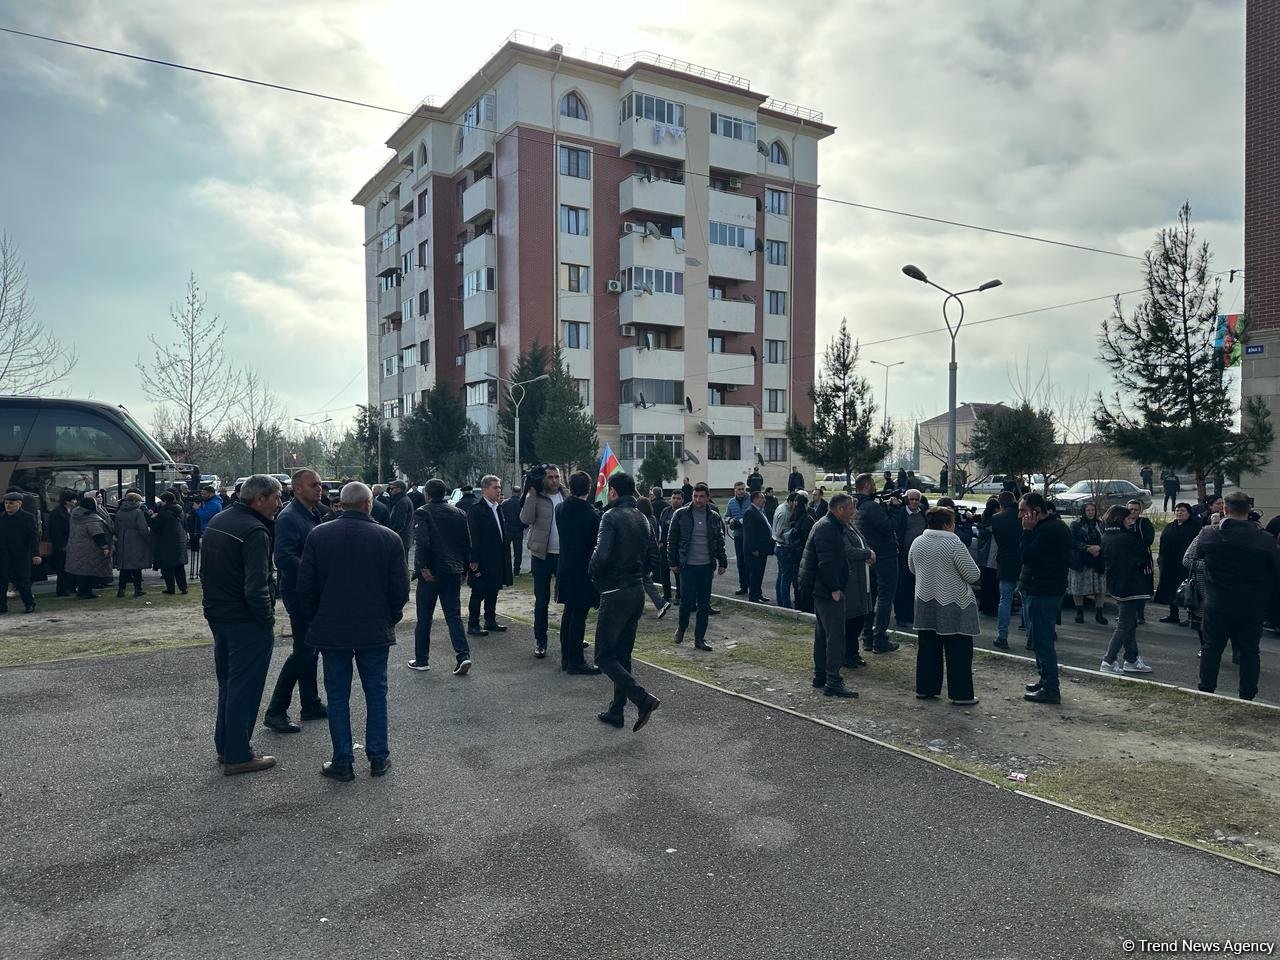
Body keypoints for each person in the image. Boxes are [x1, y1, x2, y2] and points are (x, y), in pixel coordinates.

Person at [297, 481, 409, 781]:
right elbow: (400, 590)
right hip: (374, 629)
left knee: (337, 695)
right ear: (368, 504)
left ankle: (343, 760)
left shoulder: (319, 535)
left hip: (332, 629)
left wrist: (317, 618)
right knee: (376, 693)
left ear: (341, 504)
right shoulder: (389, 538)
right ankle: (378, 756)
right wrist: (389, 617)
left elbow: (305, 588)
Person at [200, 475, 283, 776]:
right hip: (246, 620)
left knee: (229, 683)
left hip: (219, 615)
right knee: (244, 688)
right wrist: (266, 619)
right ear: (259, 499)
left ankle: (225, 745)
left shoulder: (220, 520)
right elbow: (256, 586)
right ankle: (238, 754)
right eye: (276, 497)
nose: (279, 503)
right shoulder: (254, 531)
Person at [589, 472, 662, 732]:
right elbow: (655, 555)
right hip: (635, 592)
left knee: (604, 656)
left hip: (615, 591)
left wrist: (594, 575)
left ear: (613, 492)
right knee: (622, 655)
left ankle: (642, 699)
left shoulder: (610, 517)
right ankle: (616, 710)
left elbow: (601, 555)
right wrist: (640, 574)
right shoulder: (643, 517)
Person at [1194, 490, 1280, 701]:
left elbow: (1197, 557)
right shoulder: (1265, 540)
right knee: (1250, 651)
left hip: (1217, 601)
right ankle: (1247, 696)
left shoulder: (1209, 534)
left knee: (1212, 648)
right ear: (1249, 510)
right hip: (1252, 604)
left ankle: (1206, 691)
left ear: (1224, 509)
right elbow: (1275, 570)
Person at [263, 469, 328, 734]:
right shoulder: (290, 517)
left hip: (311, 591)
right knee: (304, 650)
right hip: (300, 592)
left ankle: (310, 703)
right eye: (313, 485)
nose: (319, 488)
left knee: (311, 649)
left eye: (320, 484)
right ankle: (276, 710)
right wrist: (314, 574)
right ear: (298, 488)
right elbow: (285, 557)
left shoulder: (314, 512)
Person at [796, 492, 870, 699]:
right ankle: (833, 681)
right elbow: (827, 562)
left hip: (822, 589)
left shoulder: (830, 525)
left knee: (823, 635)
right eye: (851, 508)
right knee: (835, 637)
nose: (854, 512)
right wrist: (834, 588)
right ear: (839, 509)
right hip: (827, 591)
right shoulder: (828, 528)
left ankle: (821, 677)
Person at [908, 506, 981, 704]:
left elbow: (912, 567)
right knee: (958, 650)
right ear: (948, 523)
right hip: (954, 602)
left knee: (927, 648)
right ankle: (961, 694)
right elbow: (973, 575)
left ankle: (926, 688)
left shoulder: (918, 541)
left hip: (925, 599)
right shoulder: (953, 543)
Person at [409, 478, 472, 675]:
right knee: (453, 615)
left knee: (424, 616)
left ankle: (422, 660)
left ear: (427, 494)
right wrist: (463, 569)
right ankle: (463, 655)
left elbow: (422, 542)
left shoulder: (422, 512)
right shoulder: (460, 513)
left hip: (432, 571)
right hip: (453, 570)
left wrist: (422, 566)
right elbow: (466, 542)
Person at [1019, 492, 1072, 704]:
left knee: (1043, 641)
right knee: (1038, 640)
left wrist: (1026, 532)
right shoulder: (1047, 527)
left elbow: (1027, 556)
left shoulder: (1049, 530)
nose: (1020, 515)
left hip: (1044, 591)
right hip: (1040, 589)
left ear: (1036, 511)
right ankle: (1045, 679)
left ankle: (1051, 689)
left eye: (1023, 511)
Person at [667, 482, 728, 651]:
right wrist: (672, 562)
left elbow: (719, 541)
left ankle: (699, 638)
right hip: (687, 566)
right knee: (686, 601)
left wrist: (722, 562)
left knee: (703, 603)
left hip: (706, 566)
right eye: (695, 496)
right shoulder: (681, 515)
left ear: (708, 498)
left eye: (701, 497)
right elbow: (672, 540)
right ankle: (682, 627)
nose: (698, 500)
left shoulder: (714, 517)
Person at [554, 471, 602, 675]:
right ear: (589, 489)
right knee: (579, 616)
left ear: (569, 486)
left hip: (564, 565)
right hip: (583, 570)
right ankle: (576, 660)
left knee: (569, 613)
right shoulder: (591, 514)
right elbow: (595, 545)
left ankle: (566, 657)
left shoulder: (560, 508)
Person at [1099, 505, 1154, 676]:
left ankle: (1131, 658)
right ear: (1120, 519)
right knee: (1124, 625)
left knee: (1130, 623)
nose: (1131, 522)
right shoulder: (1125, 538)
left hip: (1119, 584)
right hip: (1130, 585)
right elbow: (1142, 553)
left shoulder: (1108, 536)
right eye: (1128, 519)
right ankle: (1108, 660)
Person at [852, 473, 900, 653]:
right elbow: (889, 527)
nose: (874, 487)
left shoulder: (857, 505)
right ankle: (880, 638)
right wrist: (895, 509)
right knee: (885, 597)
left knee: (870, 598)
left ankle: (867, 638)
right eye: (872, 483)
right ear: (866, 486)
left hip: (868, 556)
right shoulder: (872, 506)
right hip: (885, 556)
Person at [519, 463, 564, 658]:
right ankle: (540, 640)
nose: (554, 480)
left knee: (568, 598)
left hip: (564, 555)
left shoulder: (566, 494)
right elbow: (525, 519)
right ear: (543, 479)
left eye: (557, 477)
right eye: (550, 477)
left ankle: (571, 636)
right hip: (541, 555)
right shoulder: (536, 496)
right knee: (542, 601)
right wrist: (531, 495)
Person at [466, 475, 512, 638]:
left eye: (499, 487)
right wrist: (474, 559)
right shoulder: (476, 509)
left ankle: (490, 620)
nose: (498, 490)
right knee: (479, 592)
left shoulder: (497, 507)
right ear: (485, 489)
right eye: (495, 487)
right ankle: (473, 624)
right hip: (482, 558)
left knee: (493, 590)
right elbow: (474, 536)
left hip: (497, 557)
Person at [986, 491, 1022, 649]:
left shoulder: (997, 519)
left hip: (1006, 561)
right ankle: (1030, 637)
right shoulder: (1024, 517)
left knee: (1005, 600)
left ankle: (1002, 636)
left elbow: (999, 540)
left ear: (1000, 503)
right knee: (1026, 600)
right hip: (1023, 560)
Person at [1155, 502, 1200, 624]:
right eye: (1177, 510)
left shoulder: (1195, 526)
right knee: (1170, 589)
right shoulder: (1170, 526)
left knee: (1188, 590)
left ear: (1189, 513)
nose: (1179, 513)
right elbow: (1163, 543)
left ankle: (1190, 616)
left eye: (1183, 511)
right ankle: (1173, 614)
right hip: (1169, 563)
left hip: (1185, 565)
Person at [1068, 501, 1108, 626]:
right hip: (1081, 560)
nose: (1090, 512)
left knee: (1099, 588)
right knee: (1078, 587)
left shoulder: (1101, 524)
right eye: (1088, 510)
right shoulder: (1076, 524)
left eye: (1092, 510)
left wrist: (1099, 548)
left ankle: (1099, 613)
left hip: (1098, 559)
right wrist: (1086, 548)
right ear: (1083, 511)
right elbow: (1072, 541)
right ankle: (1079, 612)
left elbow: (1107, 539)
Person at [66, 495, 113, 600]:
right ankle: (86, 592)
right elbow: (97, 534)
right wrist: (105, 547)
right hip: (90, 549)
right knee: (89, 572)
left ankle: (81, 591)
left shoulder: (75, 515)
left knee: (82, 572)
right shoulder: (90, 518)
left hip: (76, 547)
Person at [0, 491, 40, 613]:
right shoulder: (2, 517)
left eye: (11, 503)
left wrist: (35, 554)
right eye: (6, 503)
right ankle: (2, 606)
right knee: (2, 582)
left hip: (21, 555)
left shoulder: (27, 517)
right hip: (3, 555)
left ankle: (29, 604)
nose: (8, 506)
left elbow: (33, 537)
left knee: (23, 581)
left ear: (19, 503)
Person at [893, 489, 927, 628]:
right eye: (911, 499)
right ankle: (900, 616)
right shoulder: (901, 513)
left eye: (916, 500)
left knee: (914, 588)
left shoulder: (923, 512)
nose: (914, 502)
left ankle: (910, 615)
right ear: (906, 500)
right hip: (904, 555)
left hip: (920, 557)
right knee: (902, 587)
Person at [636, 497, 672, 617]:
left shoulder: (642, 520)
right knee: (646, 582)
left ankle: (645, 606)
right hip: (649, 555)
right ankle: (661, 603)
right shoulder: (653, 519)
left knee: (639, 583)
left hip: (642, 556)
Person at [148, 491, 189, 595]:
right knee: (179, 567)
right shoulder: (180, 510)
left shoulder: (164, 513)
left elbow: (156, 527)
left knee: (167, 567)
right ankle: (183, 588)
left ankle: (170, 589)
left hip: (166, 542)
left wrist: (152, 518)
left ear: (165, 501)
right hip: (179, 540)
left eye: (161, 501)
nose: (160, 503)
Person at [112, 492, 151, 598]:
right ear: (135, 501)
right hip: (136, 540)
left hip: (122, 541)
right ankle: (138, 589)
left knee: (124, 568)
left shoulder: (120, 512)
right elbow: (143, 528)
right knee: (136, 566)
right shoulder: (138, 512)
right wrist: (148, 539)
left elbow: (116, 528)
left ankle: (121, 590)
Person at [743, 489, 774, 603]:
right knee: (755, 573)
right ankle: (753, 596)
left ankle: (758, 593)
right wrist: (753, 549)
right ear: (755, 499)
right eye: (761, 498)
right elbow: (750, 533)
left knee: (760, 573)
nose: (764, 500)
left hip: (762, 548)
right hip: (754, 551)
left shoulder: (760, 511)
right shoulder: (750, 512)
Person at [47, 489, 77, 597]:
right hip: (61, 545)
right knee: (62, 567)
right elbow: (55, 531)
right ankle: (62, 589)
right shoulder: (57, 513)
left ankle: (70, 586)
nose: (75, 501)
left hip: (70, 543)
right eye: (73, 499)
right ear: (67, 501)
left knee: (70, 567)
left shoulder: (70, 512)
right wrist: (62, 545)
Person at [724, 481, 751, 596]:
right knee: (740, 562)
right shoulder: (731, 502)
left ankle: (754, 587)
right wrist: (730, 520)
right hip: (738, 536)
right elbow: (725, 517)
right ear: (734, 490)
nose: (741, 491)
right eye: (739, 489)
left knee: (750, 562)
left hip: (750, 536)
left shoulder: (751, 500)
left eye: (743, 489)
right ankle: (743, 586)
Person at [772, 492, 798, 608]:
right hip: (783, 547)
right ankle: (785, 603)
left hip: (779, 546)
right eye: (795, 503)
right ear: (791, 501)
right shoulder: (784, 513)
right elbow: (780, 532)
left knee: (781, 575)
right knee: (786, 577)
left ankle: (781, 600)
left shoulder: (781, 507)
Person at [657, 490, 683, 603]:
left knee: (678, 572)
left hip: (678, 547)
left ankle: (679, 595)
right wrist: (660, 541)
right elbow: (660, 526)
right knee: (664, 572)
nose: (675, 500)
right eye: (674, 498)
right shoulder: (665, 511)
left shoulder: (683, 513)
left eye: (678, 498)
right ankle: (667, 594)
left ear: (682, 500)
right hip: (664, 546)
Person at [385, 480, 415, 560]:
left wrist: (393, 536)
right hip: (403, 538)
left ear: (399, 489)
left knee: (401, 563)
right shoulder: (401, 500)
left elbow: (400, 523)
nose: (390, 491)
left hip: (402, 538)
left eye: (392, 489)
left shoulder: (402, 502)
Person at [501, 484, 526, 576]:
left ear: (512, 492)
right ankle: (516, 571)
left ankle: (506, 569)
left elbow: (501, 516)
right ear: (519, 493)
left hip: (507, 529)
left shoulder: (505, 503)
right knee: (518, 551)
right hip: (518, 530)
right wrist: (523, 526)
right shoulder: (522, 503)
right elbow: (525, 517)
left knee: (506, 550)